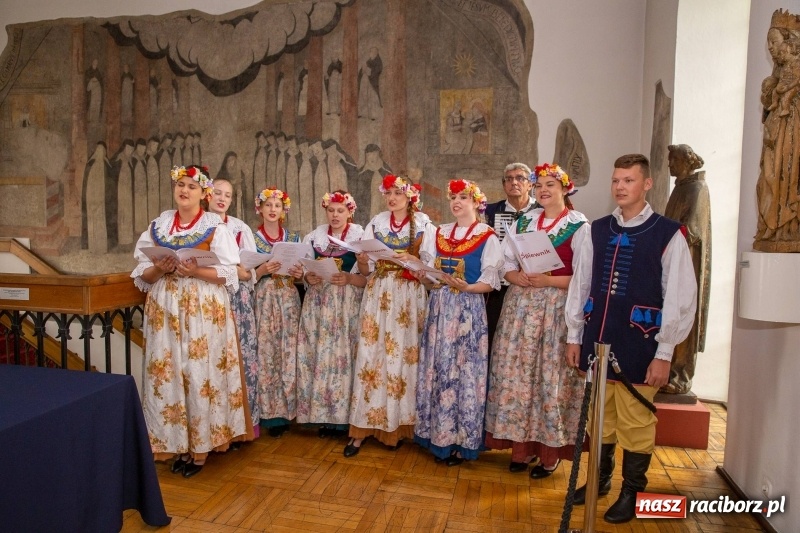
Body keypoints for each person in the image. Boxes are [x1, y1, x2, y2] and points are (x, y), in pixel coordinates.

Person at [565, 154, 696, 524]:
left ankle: (632, 492)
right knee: (599, 417)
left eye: (628, 180)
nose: (620, 187)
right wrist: (575, 335)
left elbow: (681, 298)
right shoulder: (595, 229)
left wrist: (665, 352)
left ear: (647, 184)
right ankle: (600, 481)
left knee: (636, 421)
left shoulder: (667, 233)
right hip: (598, 340)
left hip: (641, 344)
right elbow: (581, 285)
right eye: (616, 180)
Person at [132, 165, 252, 478]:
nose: (184, 191)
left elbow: (230, 273)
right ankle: (175, 442)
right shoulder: (159, 224)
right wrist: (160, 267)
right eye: (180, 185)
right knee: (168, 373)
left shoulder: (214, 226)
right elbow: (142, 274)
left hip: (203, 309)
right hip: (166, 307)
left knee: (200, 373)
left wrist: (194, 271)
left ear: (203, 193)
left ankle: (200, 449)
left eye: (191, 187)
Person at [484, 163, 589, 477]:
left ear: (564, 189)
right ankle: (521, 446)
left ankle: (548, 452)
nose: (543, 190)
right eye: (539, 185)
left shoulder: (578, 225)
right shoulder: (525, 220)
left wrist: (549, 282)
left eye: (550, 185)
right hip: (521, 306)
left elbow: (584, 278)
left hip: (555, 309)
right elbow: (504, 261)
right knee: (517, 378)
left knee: (547, 379)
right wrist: (514, 274)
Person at [344, 175, 435, 457]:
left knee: (403, 358)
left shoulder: (423, 224)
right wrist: (361, 261)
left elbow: (431, 268)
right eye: (389, 193)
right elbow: (366, 270)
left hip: (408, 297)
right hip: (378, 295)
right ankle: (362, 428)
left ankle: (401, 426)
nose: (392, 198)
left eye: (398, 193)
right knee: (373, 357)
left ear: (410, 196)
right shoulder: (377, 222)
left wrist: (418, 265)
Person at [414, 179, 501, 466]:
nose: (457, 202)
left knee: (463, 372)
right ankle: (437, 437)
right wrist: (423, 275)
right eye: (454, 197)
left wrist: (467, 288)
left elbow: (490, 281)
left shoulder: (487, 236)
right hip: (440, 306)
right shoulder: (438, 233)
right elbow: (428, 272)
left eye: (464, 197)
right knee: (439, 369)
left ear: (477, 202)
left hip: (467, 309)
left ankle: (461, 441)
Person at [296, 191, 367, 437]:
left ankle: (343, 419)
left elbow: (368, 279)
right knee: (319, 358)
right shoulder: (314, 237)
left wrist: (348, 277)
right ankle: (323, 417)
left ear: (350, 212)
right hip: (318, 304)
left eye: (340, 210)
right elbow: (303, 271)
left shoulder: (360, 236)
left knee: (343, 359)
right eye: (331, 210)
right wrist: (309, 276)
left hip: (346, 305)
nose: (335, 215)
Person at [208, 177, 261, 438]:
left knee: (240, 358)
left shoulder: (240, 228)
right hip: (208, 296)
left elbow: (249, 269)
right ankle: (214, 425)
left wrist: (243, 271)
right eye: (217, 193)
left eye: (227, 195)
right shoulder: (200, 226)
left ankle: (242, 426)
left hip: (236, 299)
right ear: (207, 194)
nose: (222, 198)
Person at [252, 187, 303, 438]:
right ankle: (267, 413)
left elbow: (304, 270)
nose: (273, 209)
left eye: (277, 205)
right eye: (268, 205)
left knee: (288, 351)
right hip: (264, 297)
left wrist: (299, 273)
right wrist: (262, 268)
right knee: (266, 352)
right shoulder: (251, 238)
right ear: (260, 208)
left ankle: (287, 412)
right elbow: (245, 271)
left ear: (284, 210)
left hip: (288, 298)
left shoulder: (293, 237)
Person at [662, 144, 711, 395]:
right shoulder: (680, 188)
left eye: (674, 160)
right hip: (672, 259)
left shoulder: (696, 188)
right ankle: (667, 367)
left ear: (686, 161)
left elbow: (692, 230)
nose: (670, 164)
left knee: (683, 311)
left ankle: (680, 374)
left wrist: (662, 235)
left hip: (687, 261)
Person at [483, 163, 537, 355]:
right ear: (504, 184)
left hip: (531, 285)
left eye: (520, 178)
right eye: (509, 178)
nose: (514, 182)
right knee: (493, 334)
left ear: (530, 184)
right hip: (498, 286)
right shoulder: (489, 211)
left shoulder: (541, 210)